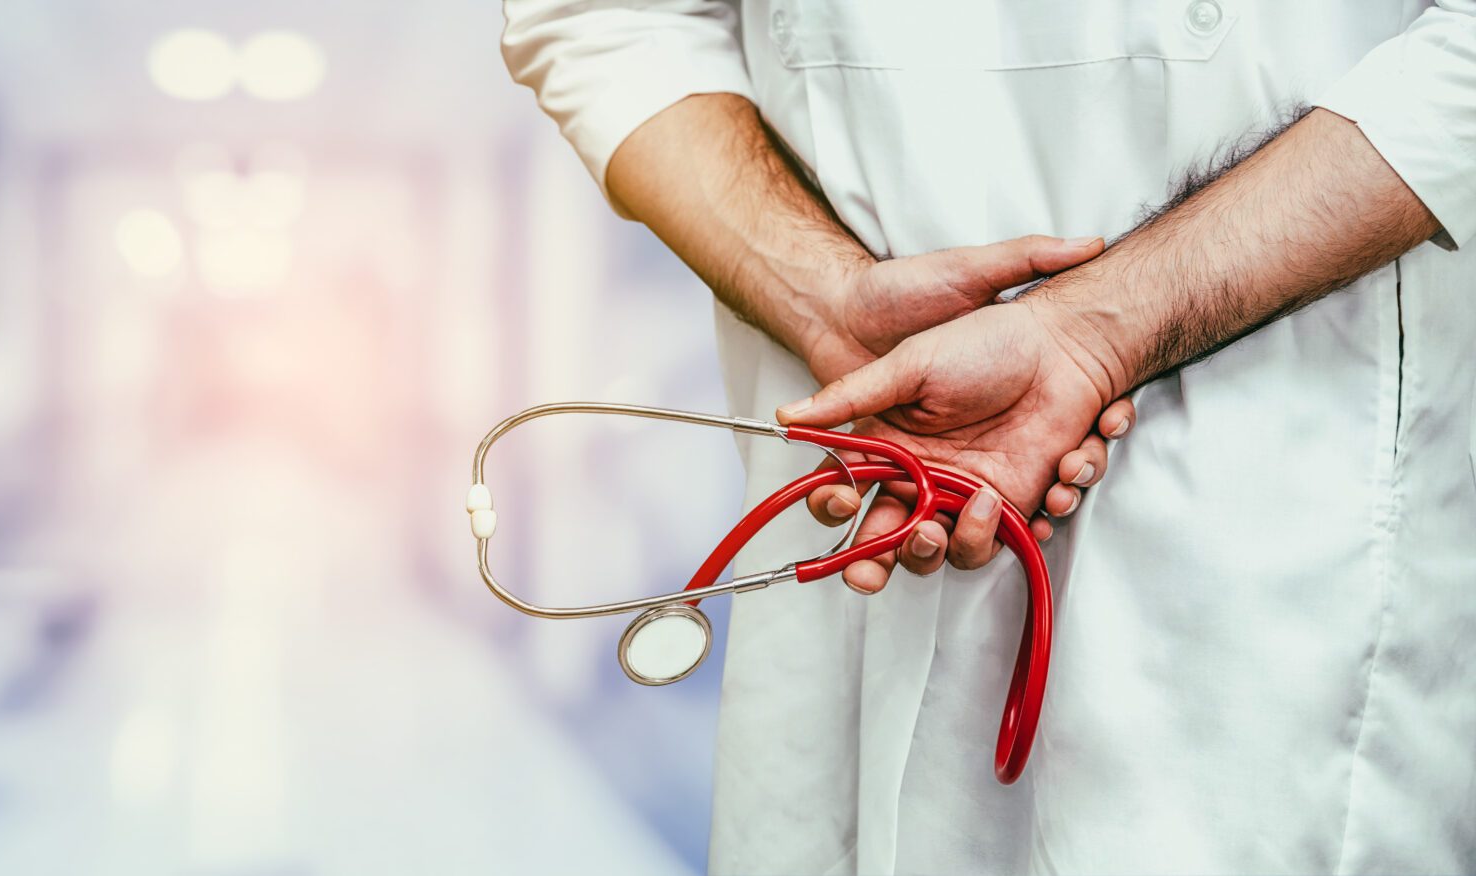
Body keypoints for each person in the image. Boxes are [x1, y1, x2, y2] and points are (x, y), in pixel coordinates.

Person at [503, 1, 1476, 872]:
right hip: (850, 515)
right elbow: (597, 16)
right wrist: (825, 299)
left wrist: (1102, 329)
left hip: (1277, 559)